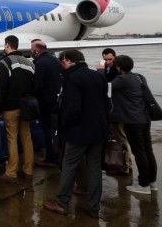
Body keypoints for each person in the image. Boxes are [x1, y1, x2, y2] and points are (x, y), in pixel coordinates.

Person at [44, 49, 111, 219]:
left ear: (68, 60)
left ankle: (61, 203)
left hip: (79, 132)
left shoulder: (73, 78)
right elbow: (107, 104)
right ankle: (93, 206)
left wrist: (64, 125)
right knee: (95, 169)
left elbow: (73, 109)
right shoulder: (98, 76)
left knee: (69, 166)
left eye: (62, 62)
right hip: (99, 131)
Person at [111, 55, 158, 194]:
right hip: (145, 118)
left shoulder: (121, 79)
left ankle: (143, 185)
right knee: (148, 150)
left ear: (118, 67)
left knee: (139, 152)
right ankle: (152, 182)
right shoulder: (139, 77)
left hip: (132, 121)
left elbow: (105, 88)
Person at [0, 35, 36, 183]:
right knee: (27, 138)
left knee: (12, 138)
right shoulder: (30, 63)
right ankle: (28, 170)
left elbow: (1, 88)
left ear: (7, 45)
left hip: (10, 107)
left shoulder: (4, 63)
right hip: (26, 107)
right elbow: (34, 85)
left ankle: (11, 172)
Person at [98, 47, 132, 174]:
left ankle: (126, 164)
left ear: (115, 58)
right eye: (105, 59)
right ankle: (119, 162)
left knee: (121, 137)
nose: (107, 61)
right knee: (114, 137)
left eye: (110, 59)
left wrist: (100, 72)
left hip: (117, 109)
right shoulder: (107, 67)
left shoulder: (119, 71)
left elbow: (106, 86)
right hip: (111, 108)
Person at [31, 40, 62, 168]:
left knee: (47, 131)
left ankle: (50, 158)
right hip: (57, 102)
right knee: (55, 131)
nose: (31, 51)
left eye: (32, 48)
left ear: (36, 50)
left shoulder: (40, 63)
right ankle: (57, 155)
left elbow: (38, 85)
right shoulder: (54, 60)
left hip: (45, 104)